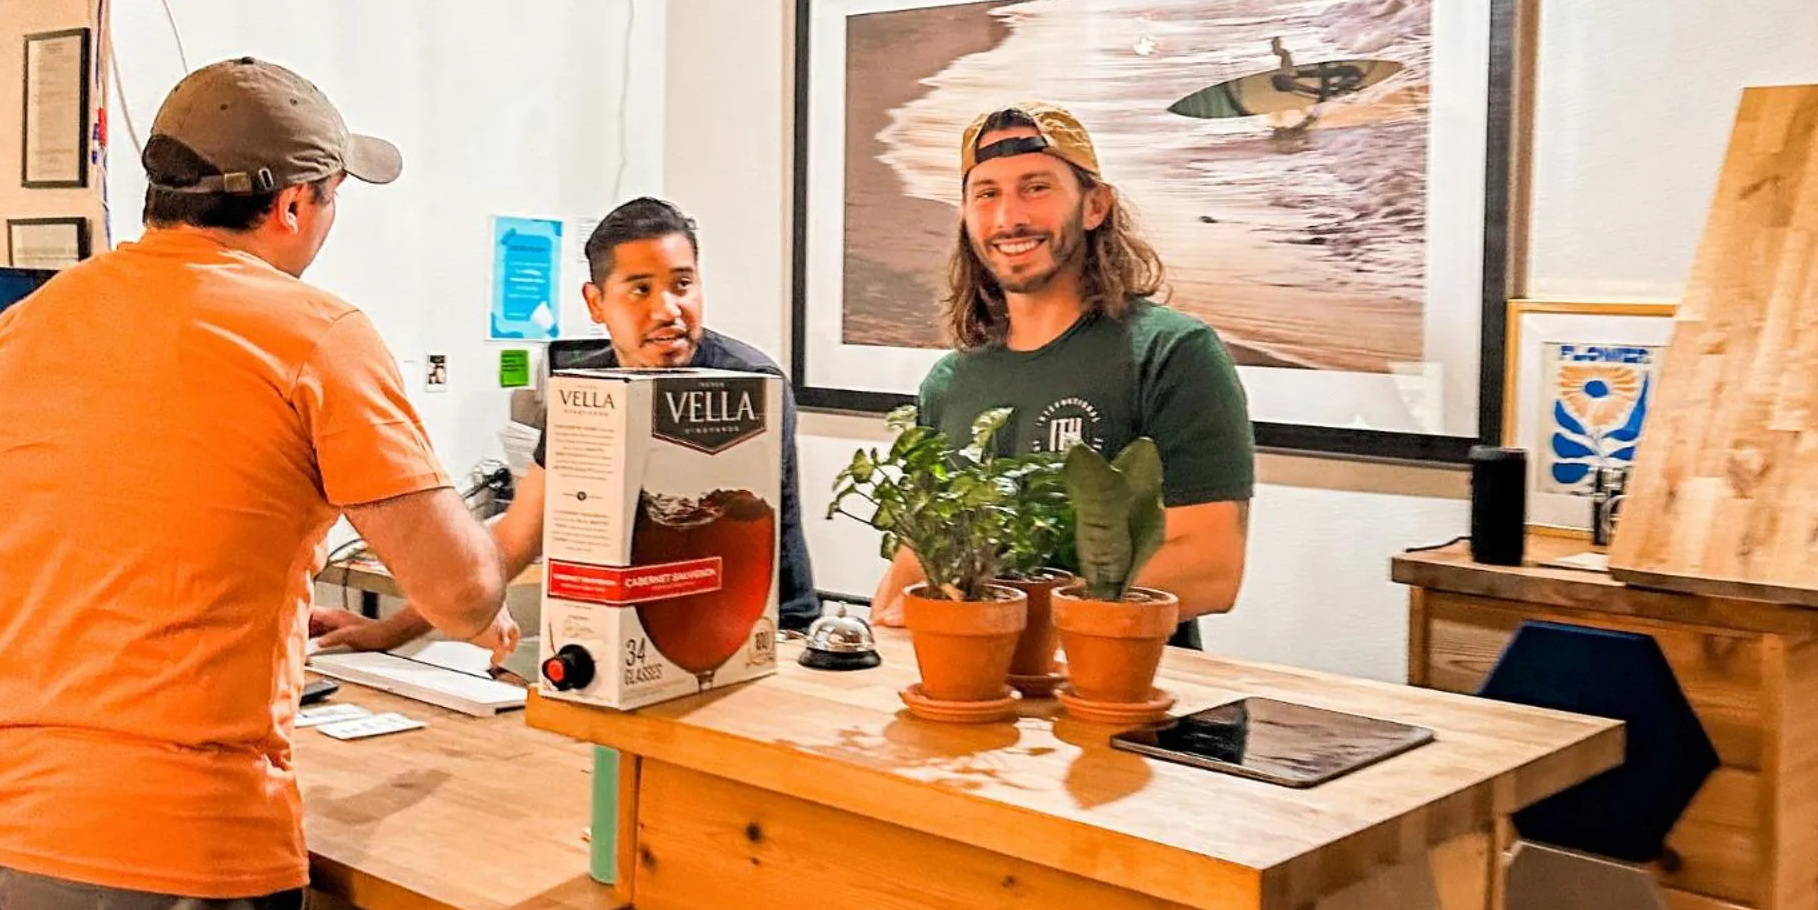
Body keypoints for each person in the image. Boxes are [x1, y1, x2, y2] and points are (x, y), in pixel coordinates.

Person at [0, 58, 516, 910]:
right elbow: (460, 593)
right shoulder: (317, 335)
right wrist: (502, 560)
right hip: (165, 854)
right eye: (333, 197)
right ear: (294, 204)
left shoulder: (28, 324)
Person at [312, 196, 822, 653]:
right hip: (639, 637)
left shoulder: (750, 384)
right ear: (596, 303)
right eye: (640, 289)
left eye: (683, 284)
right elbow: (517, 536)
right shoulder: (586, 388)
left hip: (768, 634)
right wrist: (388, 632)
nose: (669, 309)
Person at [868, 103, 1254, 647]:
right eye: (987, 194)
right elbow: (917, 563)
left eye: (1036, 187)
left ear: (1095, 206)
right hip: (966, 692)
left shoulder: (1172, 354)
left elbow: (1211, 568)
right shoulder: (949, 383)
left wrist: (1009, 619)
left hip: (1118, 701)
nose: (1009, 219)